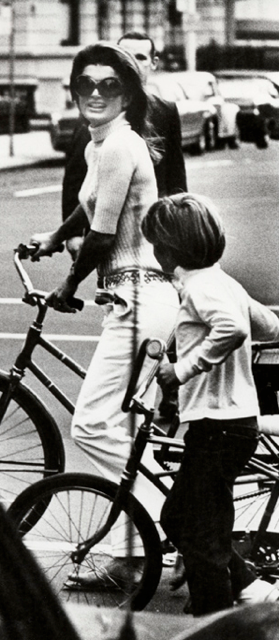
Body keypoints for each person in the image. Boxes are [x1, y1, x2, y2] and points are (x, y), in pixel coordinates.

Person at [29, 41, 179, 588]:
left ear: (128, 93)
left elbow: (105, 229)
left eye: (108, 85)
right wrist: (53, 237)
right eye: (85, 84)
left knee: (92, 424)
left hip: (140, 300)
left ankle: (171, 524)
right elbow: (88, 207)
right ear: (73, 90)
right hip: (138, 300)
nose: (95, 93)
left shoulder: (119, 146)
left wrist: (68, 283)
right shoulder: (103, 144)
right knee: (129, 431)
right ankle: (132, 556)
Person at [142, 192, 279, 616]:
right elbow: (268, 324)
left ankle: (214, 616)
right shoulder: (221, 282)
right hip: (230, 424)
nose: (153, 251)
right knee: (180, 518)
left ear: (169, 249)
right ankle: (247, 586)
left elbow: (234, 328)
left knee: (201, 532)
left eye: (155, 244)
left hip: (218, 427)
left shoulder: (200, 288)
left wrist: (183, 369)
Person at [62, 31, 187, 261]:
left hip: (152, 225)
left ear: (153, 63)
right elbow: (75, 176)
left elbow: (175, 174)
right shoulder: (96, 109)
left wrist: (179, 224)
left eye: (139, 57)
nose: (133, 63)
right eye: (125, 56)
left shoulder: (165, 111)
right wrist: (71, 234)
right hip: (103, 222)